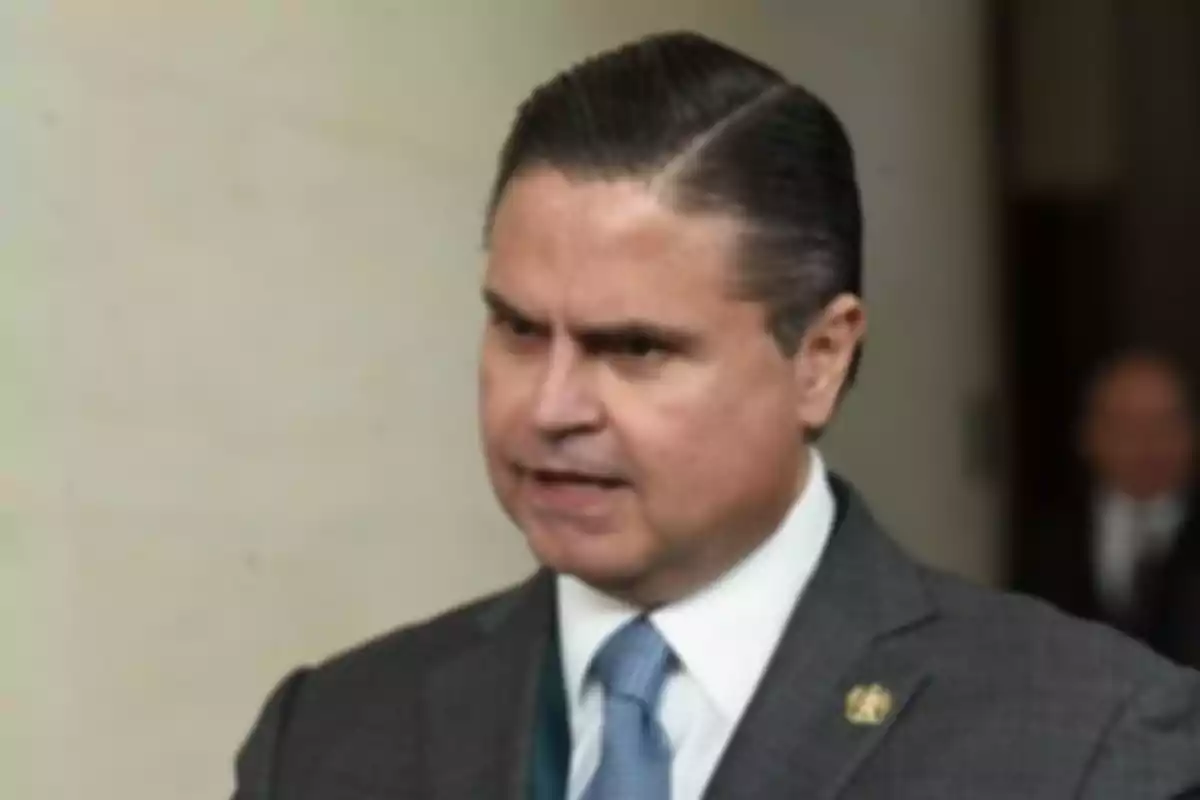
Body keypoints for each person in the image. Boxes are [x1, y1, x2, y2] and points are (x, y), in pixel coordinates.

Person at [231, 32, 1200, 799]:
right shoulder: (327, 736)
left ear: (818, 360)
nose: (551, 405)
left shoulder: (1092, 742)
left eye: (636, 347)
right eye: (518, 329)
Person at [1016, 350, 1200, 667]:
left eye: (1166, 423)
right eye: (1127, 425)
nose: (1149, 443)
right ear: (1088, 436)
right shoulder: (1051, 539)